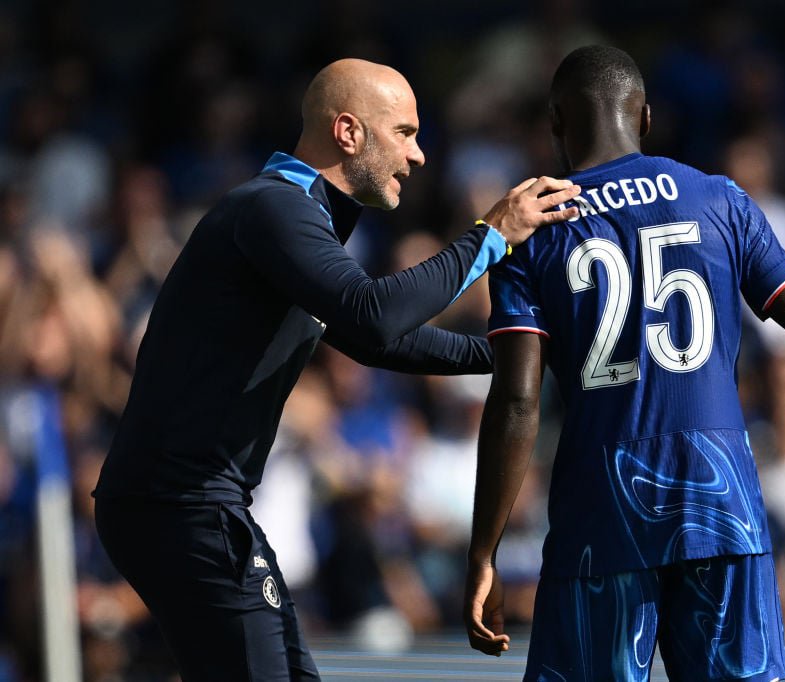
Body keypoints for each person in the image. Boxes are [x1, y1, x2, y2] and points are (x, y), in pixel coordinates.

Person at [463, 45, 785, 682]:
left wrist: (484, 549)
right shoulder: (720, 199)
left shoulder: (530, 229)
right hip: (721, 500)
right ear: (645, 119)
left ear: (556, 124)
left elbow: (518, 400)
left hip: (604, 504)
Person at [92, 58, 580, 682]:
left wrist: (525, 351)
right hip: (182, 505)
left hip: (188, 507)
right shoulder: (274, 208)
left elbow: (375, 341)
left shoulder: (293, 217)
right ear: (348, 133)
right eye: (404, 132)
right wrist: (491, 235)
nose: (420, 155)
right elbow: (374, 317)